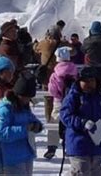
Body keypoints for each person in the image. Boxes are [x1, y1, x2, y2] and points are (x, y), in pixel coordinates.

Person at [60, 66, 101, 176]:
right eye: (85, 81)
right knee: (81, 171)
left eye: (92, 81)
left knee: (95, 172)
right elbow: (65, 115)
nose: (89, 83)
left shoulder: (100, 98)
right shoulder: (73, 97)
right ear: (78, 82)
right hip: (78, 144)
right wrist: (83, 123)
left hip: (97, 145)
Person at [0, 72, 43, 175]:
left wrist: (37, 125)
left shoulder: (24, 107)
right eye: (26, 97)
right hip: (11, 158)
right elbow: (1, 133)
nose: (28, 100)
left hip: (26, 155)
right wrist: (24, 129)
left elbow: (32, 119)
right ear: (19, 95)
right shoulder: (6, 109)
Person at [34, 26, 64, 160]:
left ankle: (49, 121)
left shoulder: (44, 43)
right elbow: (74, 51)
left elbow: (35, 48)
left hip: (47, 78)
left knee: (48, 101)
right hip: (61, 79)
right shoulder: (63, 44)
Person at [47, 46, 79, 159]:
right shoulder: (74, 70)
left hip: (59, 101)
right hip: (72, 100)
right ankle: (68, 147)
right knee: (70, 123)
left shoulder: (55, 74)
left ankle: (52, 146)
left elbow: (52, 90)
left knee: (54, 122)